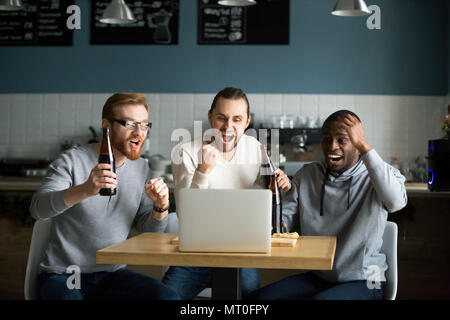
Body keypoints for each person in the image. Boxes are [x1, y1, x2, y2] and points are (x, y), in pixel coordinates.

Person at [30, 93, 179, 300]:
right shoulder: (71, 161)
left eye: (144, 124)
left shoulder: (142, 168)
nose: (139, 132)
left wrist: (160, 207)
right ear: (106, 126)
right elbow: (37, 208)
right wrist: (85, 189)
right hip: (65, 275)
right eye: (130, 123)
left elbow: (149, 231)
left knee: (167, 298)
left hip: (111, 275)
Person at [250, 110, 407, 300]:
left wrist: (365, 147)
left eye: (342, 140)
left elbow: (396, 202)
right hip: (319, 276)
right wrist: (274, 212)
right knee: (258, 300)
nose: (332, 146)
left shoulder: (379, 175)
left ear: (357, 143)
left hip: (367, 279)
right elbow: (283, 225)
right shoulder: (307, 175)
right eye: (327, 139)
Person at [162, 87, 291, 299]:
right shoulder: (186, 152)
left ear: (247, 122)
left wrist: (282, 183)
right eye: (221, 118)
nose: (228, 127)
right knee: (166, 297)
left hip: (240, 252)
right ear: (210, 117)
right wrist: (203, 171)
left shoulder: (256, 148)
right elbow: (186, 213)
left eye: (237, 119)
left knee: (250, 298)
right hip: (196, 254)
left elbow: (267, 194)